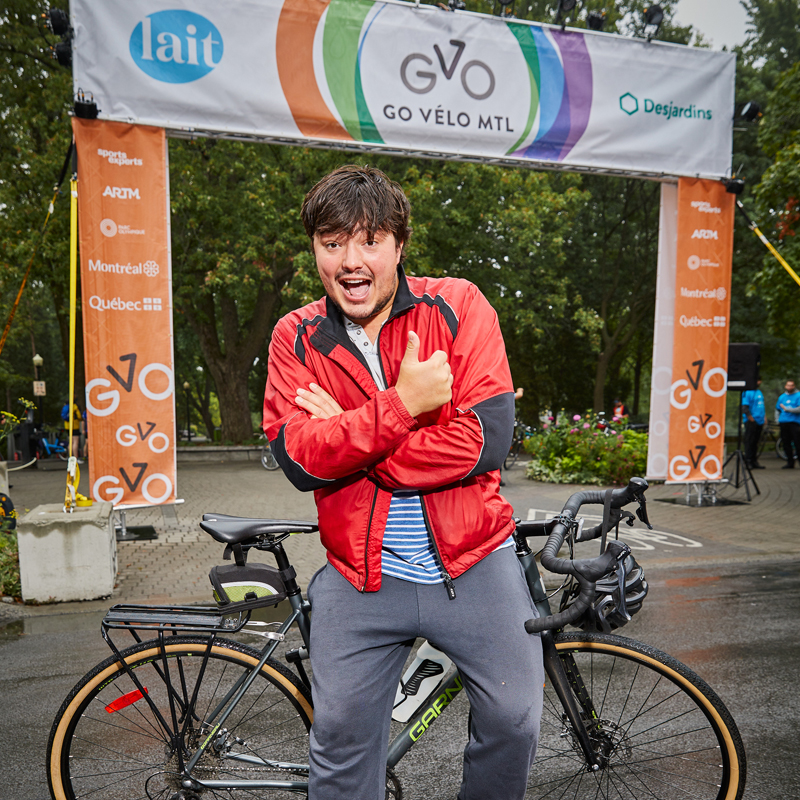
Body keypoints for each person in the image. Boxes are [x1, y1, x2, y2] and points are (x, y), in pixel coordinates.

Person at [262, 165, 542, 800]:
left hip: (473, 562)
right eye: (332, 244)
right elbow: (301, 463)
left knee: (515, 721)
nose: (351, 262)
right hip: (359, 576)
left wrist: (357, 438)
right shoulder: (295, 337)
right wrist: (403, 406)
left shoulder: (459, 304)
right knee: (338, 741)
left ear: (398, 245)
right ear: (315, 251)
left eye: (369, 241)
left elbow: (485, 443)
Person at [742, 379, 765, 469]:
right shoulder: (747, 392)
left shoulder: (759, 392)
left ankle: (754, 461)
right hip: (752, 421)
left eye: (759, 380)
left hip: (760, 420)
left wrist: (764, 417)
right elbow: (744, 407)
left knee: (756, 442)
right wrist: (750, 418)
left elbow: (762, 405)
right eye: (757, 380)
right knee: (749, 441)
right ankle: (748, 461)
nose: (759, 382)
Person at [776, 379, 800, 469]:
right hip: (783, 422)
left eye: (792, 385)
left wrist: (787, 409)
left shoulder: (798, 395)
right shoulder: (782, 397)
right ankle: (790, 462)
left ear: (794, 386)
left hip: (794, 423)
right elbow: (777, 409)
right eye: (788, 385)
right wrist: (777, 420)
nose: (790, 387)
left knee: (797, 443)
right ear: (785, 386)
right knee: (786, 443)